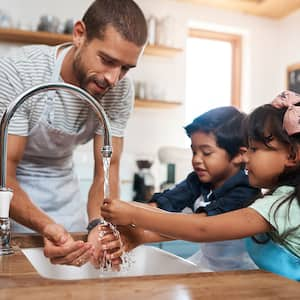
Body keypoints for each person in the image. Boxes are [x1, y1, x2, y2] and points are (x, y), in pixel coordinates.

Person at [0, 0, 147, 267]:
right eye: (107, 60)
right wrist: (45, 226)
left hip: (65, 200)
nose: (113, 78)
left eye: (125, 68)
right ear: (79, 34)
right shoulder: (21, 72)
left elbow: (107, 171)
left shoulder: (119, 91)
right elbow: (4, 172)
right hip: (9, 204)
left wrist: (99, 226)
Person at [102, 94, 300, 281]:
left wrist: (134, 215)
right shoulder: (280, 199)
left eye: (254, 149)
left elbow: (202, 228)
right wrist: (138, 229)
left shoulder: (280, 204)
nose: (247, 157)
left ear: (292, 156)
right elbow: (173, 210)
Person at [107, 106, 261, 271]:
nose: (196, 159)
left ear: (239, 155)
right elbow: (162, 206)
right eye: (194, 151)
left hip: (243, 273)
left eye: (206, 153)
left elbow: (200, 227)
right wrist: (117, 211)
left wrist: (133, 216)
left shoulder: (245, 190)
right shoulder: (198, 180)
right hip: (207, 266)